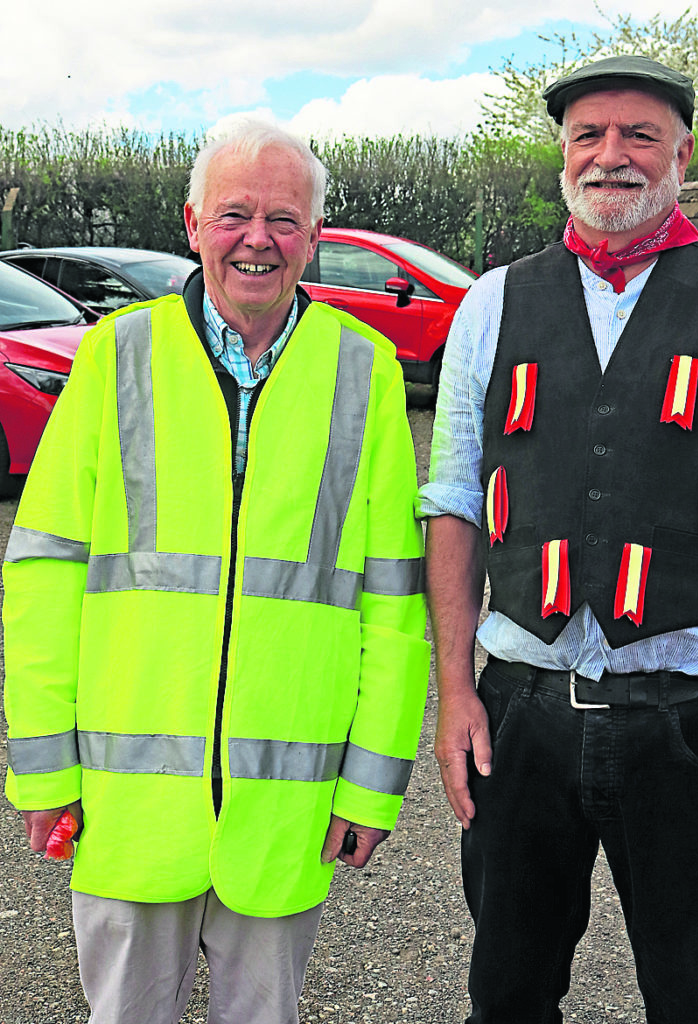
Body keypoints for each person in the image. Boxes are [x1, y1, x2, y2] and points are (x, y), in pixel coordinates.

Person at [419, 56, 698, 1024]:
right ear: (561, 155)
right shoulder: (492, 300)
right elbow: (450, 502)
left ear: (680, 155)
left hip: (684, 715)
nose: (609, 156)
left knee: (694, 993)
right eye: (587, 135)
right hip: (519, 708)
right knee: (505, 991)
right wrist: (453, 695)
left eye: (636, 135)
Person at [3, 119, 430, 1024]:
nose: (258, 238)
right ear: (192, 221)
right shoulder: (112, 358)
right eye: (234, 213)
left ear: (315, 236)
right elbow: (42, 576)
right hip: (127, 810)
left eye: (284, 217)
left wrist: (370, 788)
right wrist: (43, 774)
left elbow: (393, 604)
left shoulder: (367, 372)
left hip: (286, 814)